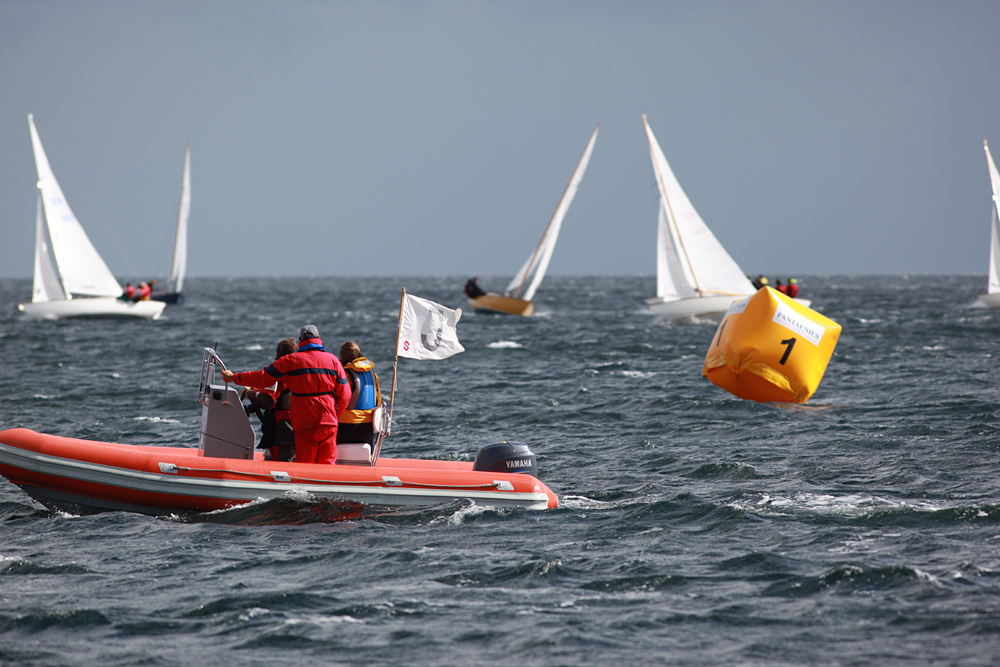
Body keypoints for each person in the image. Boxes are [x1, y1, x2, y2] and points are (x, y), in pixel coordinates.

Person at [221, 325, 352, 464]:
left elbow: (262, 377)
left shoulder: (290, 361)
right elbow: (345, 394)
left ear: (300, 339)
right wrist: (335, 414)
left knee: (306, 465)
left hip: (304, 421)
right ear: (319, 338)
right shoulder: (334, 361)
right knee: (328, 462)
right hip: (328, 420)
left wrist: (234, 377)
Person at [242, 337, 297, 462]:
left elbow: (268, 401)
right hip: (298, 426)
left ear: (277, 354)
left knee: (281, 466)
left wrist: (252, 393)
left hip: (281, 430)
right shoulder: (301, 373)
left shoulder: (277, 372)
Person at [337, 341, 382, 446]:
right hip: (368, 428)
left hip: (345, 426)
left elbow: (340, 399)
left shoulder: (344, 374)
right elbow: (378, 400)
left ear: (341, 355)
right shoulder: (372, 374)